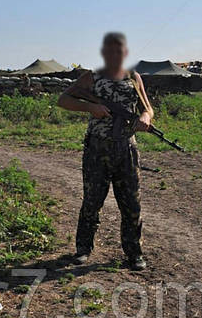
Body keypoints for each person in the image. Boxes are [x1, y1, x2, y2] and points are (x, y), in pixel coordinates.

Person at [57, 32, 154, 271]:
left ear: (125, 53)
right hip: (98, 148)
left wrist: (144, 117)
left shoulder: (134, 77)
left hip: (126, 148)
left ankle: (134, 253)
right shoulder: (91, 77)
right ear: (103, 53)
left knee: (131, 203)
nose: (115, 55)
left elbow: (148, 108)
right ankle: (83, 250)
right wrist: (91, 107)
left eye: (119, 50)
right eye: (110, 50)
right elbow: (64, 100)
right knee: (92, 200)